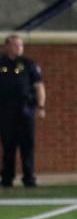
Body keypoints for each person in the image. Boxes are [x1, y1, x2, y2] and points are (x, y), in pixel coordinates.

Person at [0, 35, 44, 188]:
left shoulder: (29, 64)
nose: (19, 47)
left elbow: (39, 87)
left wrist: (40, 106)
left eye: (20, 45)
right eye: (15, 45)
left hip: (25, 108)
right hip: (5, 110)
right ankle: (6, 178)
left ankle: (29, 177)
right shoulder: (1, 63)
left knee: (27, 144)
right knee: (8, 144)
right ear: (7, 46)